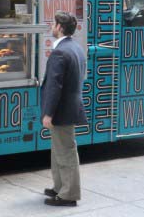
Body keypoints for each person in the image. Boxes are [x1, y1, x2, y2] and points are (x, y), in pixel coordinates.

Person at [40, 11, 88, 207]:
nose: (51, 26)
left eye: (53, 24)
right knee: (59, 149)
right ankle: (59, 186)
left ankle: (68, 194)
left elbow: (54, 86)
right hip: (70, 106)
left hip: (62, 110)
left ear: (59, 27)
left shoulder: (60, 51)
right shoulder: (75, 47)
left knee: (66, 151)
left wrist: (48, 113)